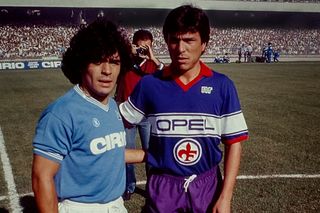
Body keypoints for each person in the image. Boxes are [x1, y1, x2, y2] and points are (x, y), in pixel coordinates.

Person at [121, 4, 249, 213]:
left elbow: (234, 144)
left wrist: (225, 197)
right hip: (163, 186)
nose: (180, 49)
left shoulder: (222, 86)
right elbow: (119, 123)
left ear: (204, 44)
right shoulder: (150, 84)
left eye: (189, 40)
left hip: (207, 186)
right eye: (174, 40)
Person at [32, 18, 132, 213]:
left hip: (117, 205)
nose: (107, 70)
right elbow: (41, 177)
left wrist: (154, 154)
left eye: (114, 62)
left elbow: (109, 153)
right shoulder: (61, 113)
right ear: (81, 64)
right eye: (97, 61)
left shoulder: (111, 106)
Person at [115, 29, 165, 200]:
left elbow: (168, 75)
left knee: (150, 153)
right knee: (127, 152)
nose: (144, 51)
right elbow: (111, 55)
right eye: (141, 47)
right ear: (134, 45)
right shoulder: (125, 60)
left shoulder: (152, 65)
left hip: (147, 115)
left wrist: (152, 57)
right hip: (126, 114)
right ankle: (129, 186)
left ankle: (153, 187)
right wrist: (128, 50)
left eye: (147, 47)